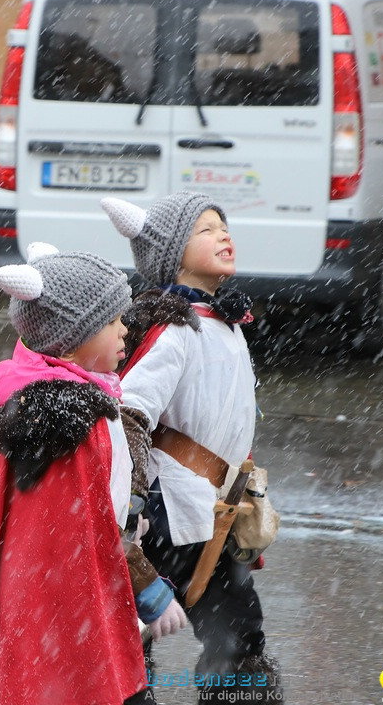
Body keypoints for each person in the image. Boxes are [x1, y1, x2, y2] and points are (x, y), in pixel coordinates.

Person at [0, 242, 180, 705]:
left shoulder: (59, 403)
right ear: (71, 339)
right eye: (111, 321)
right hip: (63, 611)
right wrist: (148, 591)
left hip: (49, 606)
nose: (125, 329)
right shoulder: (72, 425)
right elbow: (84, 540)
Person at [101, 192, 284, 703]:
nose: (223, 235)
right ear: (171, 255)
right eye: (206, 230)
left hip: (216, 518)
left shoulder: (224, 323)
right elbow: (130, 413)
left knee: (240, 642)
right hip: (165, 514)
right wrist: (131, 500)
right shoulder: (172, 331)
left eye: (223, 225)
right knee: (129, 640)